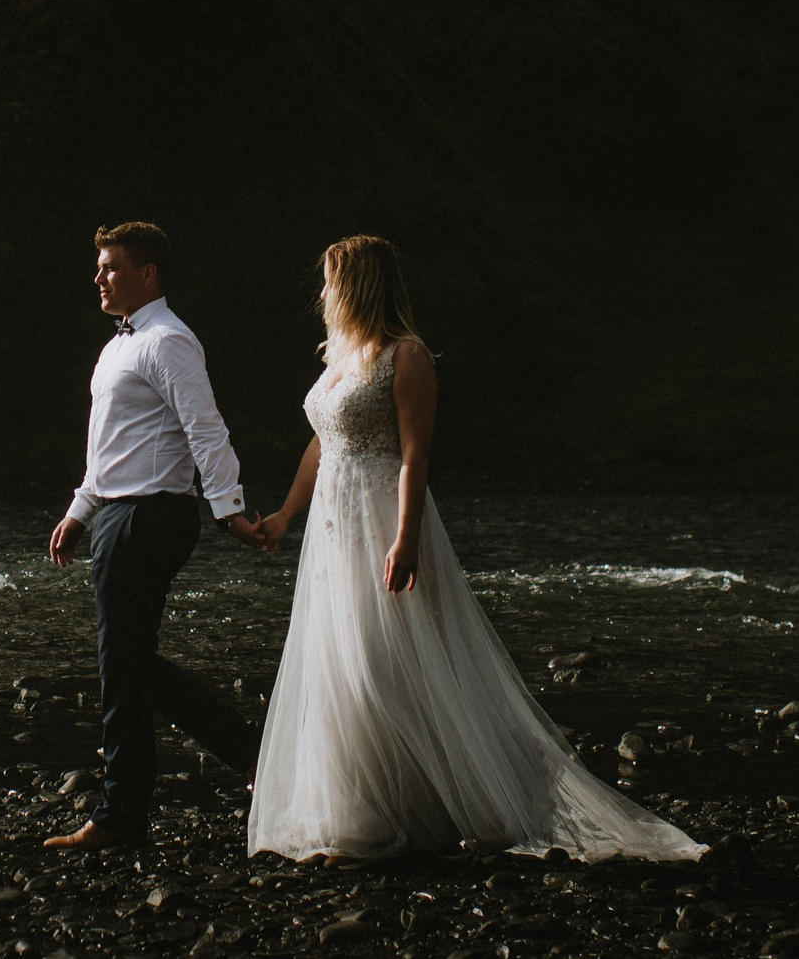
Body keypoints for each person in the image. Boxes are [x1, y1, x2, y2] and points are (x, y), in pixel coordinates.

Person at [246, 234, 705, 863]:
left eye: (328, 281)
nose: (321, 293)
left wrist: (406, 536)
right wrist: (284, 514)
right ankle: (363, 810)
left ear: (356, 284)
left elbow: (415, 452)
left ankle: (446, 802)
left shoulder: (404, 357)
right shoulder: (338, 359)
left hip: (381, 520)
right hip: (332, 528)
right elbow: (321, 444)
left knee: (388, 661)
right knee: (342, 660)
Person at [44, 221, 271, 850]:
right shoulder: (118, 345)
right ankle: (248, 753)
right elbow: (109, 448)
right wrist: (80, 509)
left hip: (152, 514)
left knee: (120, 663)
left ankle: (122, 816)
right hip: (119, 511)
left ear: (148, 274)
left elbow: (206, 428)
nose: (98, 277)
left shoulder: (169, 341)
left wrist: (230, 511)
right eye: (99, 266)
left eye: (111, 266)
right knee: (128, 663)